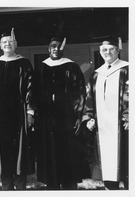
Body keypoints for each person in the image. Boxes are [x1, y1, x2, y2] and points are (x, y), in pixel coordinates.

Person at [32, 35, 90, 190]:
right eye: (52, 46)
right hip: (47, 118)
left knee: (67, 153)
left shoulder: (72, 67)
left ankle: (69, 185)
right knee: (50, 151)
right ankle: (52, 185)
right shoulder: (42, 67)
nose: (56, 49)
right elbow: (35, 93)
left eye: (58, 46)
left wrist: (78, 116)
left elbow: (80, 93)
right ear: (48, 48)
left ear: (62, 48)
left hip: (67, 117)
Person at [0, 28, 35, 190]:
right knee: (3, 150)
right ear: (0, 45)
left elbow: (30, 89)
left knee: (19, 150)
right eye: (4, 42)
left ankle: (20, 186)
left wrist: (30, 111)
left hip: (19, 114)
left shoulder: (24, 64)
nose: (7, 44)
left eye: (10, 42)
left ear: (16, 44)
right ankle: (6, 187)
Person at [80, 36, 129, 190]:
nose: (107, 52)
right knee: (108, 170)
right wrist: (89, 118)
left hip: (123, 127)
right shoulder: (96, 74)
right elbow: (89, 100)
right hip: (103, 129)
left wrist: (129, 117)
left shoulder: (128, 69)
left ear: (118, 49)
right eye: (103, 50)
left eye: (111, 49)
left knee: (127, 169)